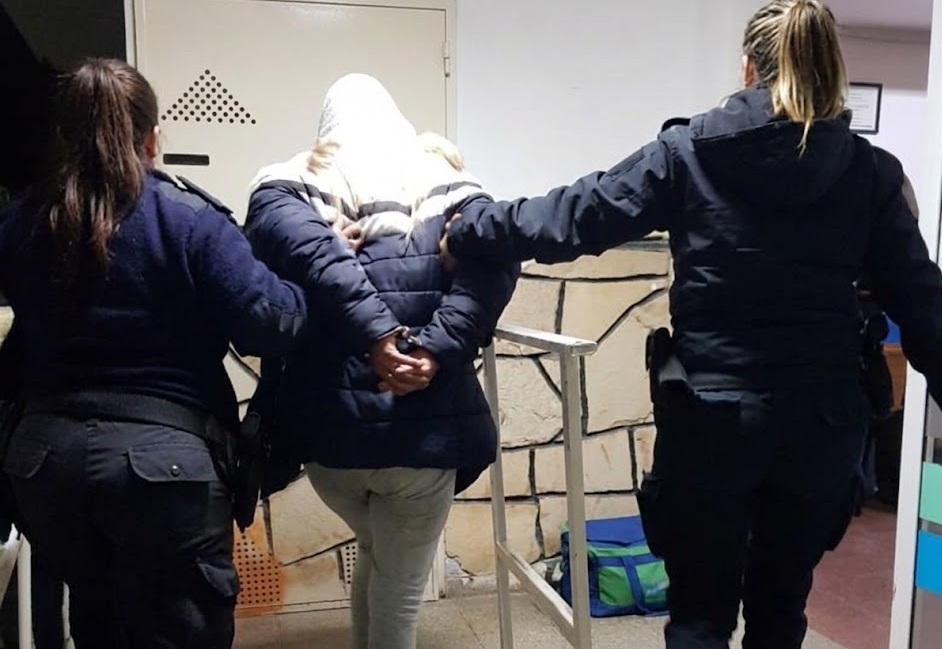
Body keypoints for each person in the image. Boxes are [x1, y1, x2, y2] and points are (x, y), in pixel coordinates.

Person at [440, 1, 942, 647]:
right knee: (782, 610)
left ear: (748, 67)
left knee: (699, 619)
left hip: (711, 421)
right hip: (821, 426)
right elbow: (923, 302)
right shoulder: (871, 173)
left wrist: (471, 227)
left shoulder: (688, 152)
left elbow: (575, 216)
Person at [0, 58, 311, 649]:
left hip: (44, 466)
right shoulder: (189, 219)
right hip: (163, 469)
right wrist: (302, 279)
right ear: (152, 138)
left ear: (66, 136)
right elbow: (270, 325)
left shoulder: (22, 220)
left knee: (97, 618)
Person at [245, 73, 519, 649]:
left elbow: (310, 261)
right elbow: (492, 269)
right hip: (424, 439)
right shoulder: (455, 189)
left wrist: (373, 333)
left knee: (375, 550)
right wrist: (431, 350)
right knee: (401, 585)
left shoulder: (287, 187)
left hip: (329, 442)